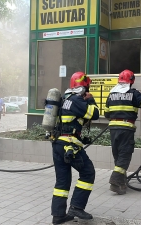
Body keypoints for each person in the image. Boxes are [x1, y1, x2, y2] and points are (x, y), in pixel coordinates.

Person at [51, 72, 99, 224]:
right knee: (88, 172)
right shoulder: (76, 100)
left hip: (58, 144)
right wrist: (90, 100)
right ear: (84, 87)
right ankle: (76, 207)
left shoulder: (63, 99)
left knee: (62, 182)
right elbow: (95, 114)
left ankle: (58, 216)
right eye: (87, 87)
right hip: (69, 144)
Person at [104, 69, 141, 195]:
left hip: (113, 128)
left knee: (118, 154)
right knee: (125, 153)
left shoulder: (111, 94)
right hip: (126, 127)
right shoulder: (133, 93)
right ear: (131, 81)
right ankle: (116, 179)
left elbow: (106, 113)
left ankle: (121, 183)